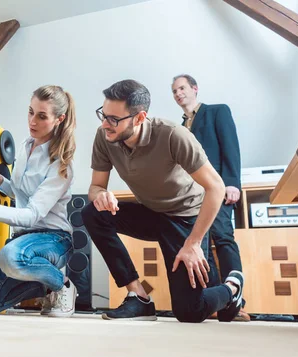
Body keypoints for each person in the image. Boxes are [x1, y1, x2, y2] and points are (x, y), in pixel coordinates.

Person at [81, 79, 244, 322]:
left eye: (114, 119)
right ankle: (139, 298)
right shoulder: (105, 136)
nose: (105, 124)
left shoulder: (172, 135)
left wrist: (193, 243)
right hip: (151, 213)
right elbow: (95, 187)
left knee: (190, 311)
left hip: (184, 218)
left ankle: (232, 287)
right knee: (92, 213)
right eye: (103, 115)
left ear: (139, 117)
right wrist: (100, 196)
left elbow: (216, 188)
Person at [0, 85, 78, 317]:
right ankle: (45, 285)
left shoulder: (62, 165)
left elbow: (32, 214)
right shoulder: (25, 146)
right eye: (30, 112)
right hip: (23, 239)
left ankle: (63, 286)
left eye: (42, 116)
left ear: (59, 119)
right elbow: (20, 193)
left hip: (54, 239)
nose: (32, 121)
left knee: (11, 257)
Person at [171, 74, 249, 321]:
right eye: (174, 91)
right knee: (200, 245)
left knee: (224, 238)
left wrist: (232, 183)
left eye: (182, 88)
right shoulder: (179, 127)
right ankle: (217, 301)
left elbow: (230, 147)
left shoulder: (217, 112)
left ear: (194, 88)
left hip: (218, 189)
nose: (178, 93)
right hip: (191, 196)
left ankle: (237, 301)